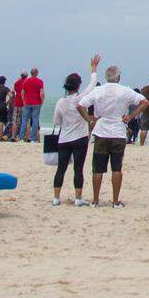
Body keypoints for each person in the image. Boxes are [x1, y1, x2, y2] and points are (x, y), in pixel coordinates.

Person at [74, 63, 148, 208]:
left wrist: (89, 120)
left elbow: (80, 105)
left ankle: (95, 201)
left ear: (106, 77)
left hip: (101, 131)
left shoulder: (98, 90)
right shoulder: (125, 91)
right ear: (118, 77)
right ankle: (115, 201)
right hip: (118, 132)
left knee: (98, 168)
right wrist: (131, 116)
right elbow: (145, 102)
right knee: (117, 168)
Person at [52, 62, 97, 206]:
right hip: (80, 138)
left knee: (61, 168)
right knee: (78, 168)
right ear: (78, 86)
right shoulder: (81, 98)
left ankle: (56, 197)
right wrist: (94, 69)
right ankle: (78, 198)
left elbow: (56, 121)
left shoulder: (61, 102)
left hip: (64, 138)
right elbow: (92, 84)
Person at [20, 67, 44, 143]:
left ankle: (21, 138)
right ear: (36, 73)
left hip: (27, 103)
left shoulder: (26, 81)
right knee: (35, 121)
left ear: (31, 73)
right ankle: (33, 138)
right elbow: (42, 93)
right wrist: (42, 101)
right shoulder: (40, 81)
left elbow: (22, 92)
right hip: (36, 103)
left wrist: (24, 101)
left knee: (24, 120)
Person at [12, 71, 27, 139]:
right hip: (24, 103)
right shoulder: (27, 82)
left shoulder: (16, 83)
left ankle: (13, 136)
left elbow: (13, 91)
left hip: (17, 103)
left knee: (15, 121)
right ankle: (25, 137)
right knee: (25, 120)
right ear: (26, 76)